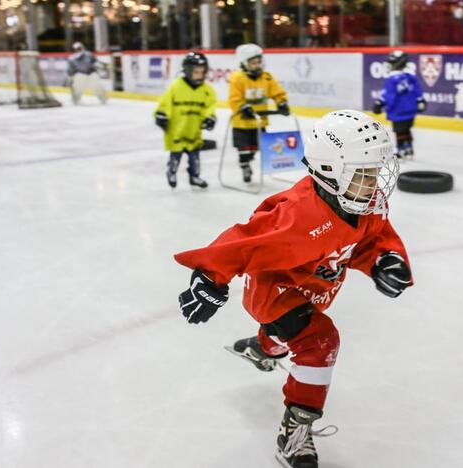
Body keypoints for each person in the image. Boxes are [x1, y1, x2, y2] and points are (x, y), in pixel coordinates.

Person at [174, 110, 413, 468]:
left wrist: (384, 260)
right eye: (364, 174)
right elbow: (246, 240)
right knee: (319, 342)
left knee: (290, 337)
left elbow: (371, 239)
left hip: (314, 288)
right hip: (275, 289)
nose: (375, 182)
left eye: (375, 172)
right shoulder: (298, 215)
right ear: (330, 171)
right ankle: (294, 434)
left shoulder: (360, 202)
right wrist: (210, 276)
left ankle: (264, 347)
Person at [154, 51, 217, 189]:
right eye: (196, 72)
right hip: (176, 131)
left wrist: (210, 118)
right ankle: (171, 171)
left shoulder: (207, 90)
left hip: (194, 132)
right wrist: (161, 114)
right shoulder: (176, 86)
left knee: (195, 158)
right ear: (188, 71)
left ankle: (195, 176)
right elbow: (165, 103)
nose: (200, 75)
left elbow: (210, 107)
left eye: (202, 72)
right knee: (175, 156)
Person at [228, 43, 289, 183]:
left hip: (259, 121)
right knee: (244, 149)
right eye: (253, 62)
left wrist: (282, 102)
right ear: (243, 63)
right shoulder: (237, 78)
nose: (257, 65)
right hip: (242, 123)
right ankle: (244, 165)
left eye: (259, 61)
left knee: (255, 148)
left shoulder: (267, 77)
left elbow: (277, 92)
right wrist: (242, 107)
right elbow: (234, 98)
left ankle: (248, 160)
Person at [372, 50, 426, 158]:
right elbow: (418, 91)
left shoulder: (392, 79)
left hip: (398, 110)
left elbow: (389, 95)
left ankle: (401, 150)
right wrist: (420, 101)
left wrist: (380, 103)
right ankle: (409, 148)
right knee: (406, 129)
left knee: (399, 131)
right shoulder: (411, 76)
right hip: (410, 109)